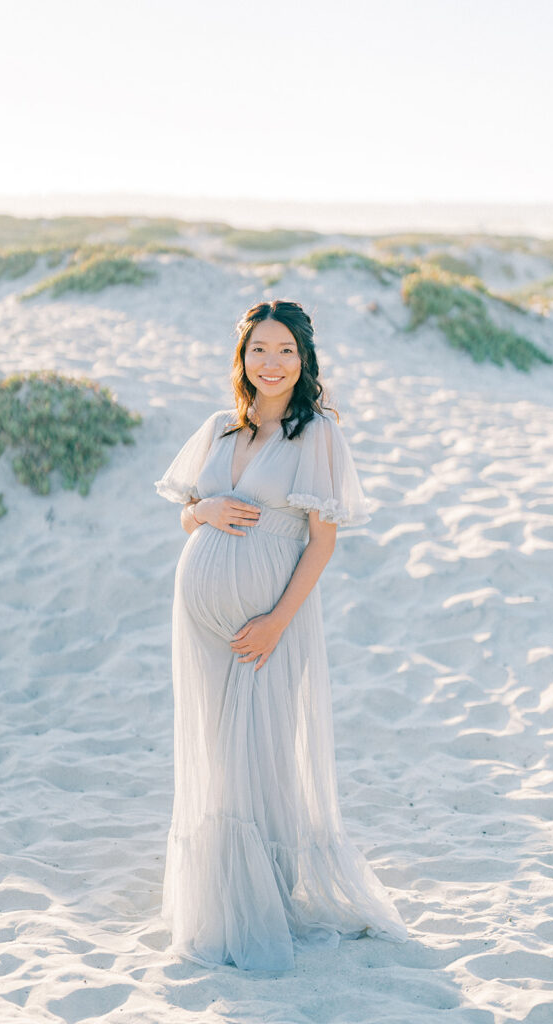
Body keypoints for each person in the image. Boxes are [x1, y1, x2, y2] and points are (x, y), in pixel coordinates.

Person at [154, 299, 408, 971]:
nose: (271, 363)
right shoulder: (217, 429)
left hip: (267, 615)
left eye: (285, 350)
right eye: (259, 350)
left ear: (304, 360)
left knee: (252, 754)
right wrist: (200, 509)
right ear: (241, 359)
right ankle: (220, 899)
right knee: (214, 751)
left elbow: (320, 545)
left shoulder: (315, 434)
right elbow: (190, 520)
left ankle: (261, 898)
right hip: (199, 620)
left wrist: (275, 622)